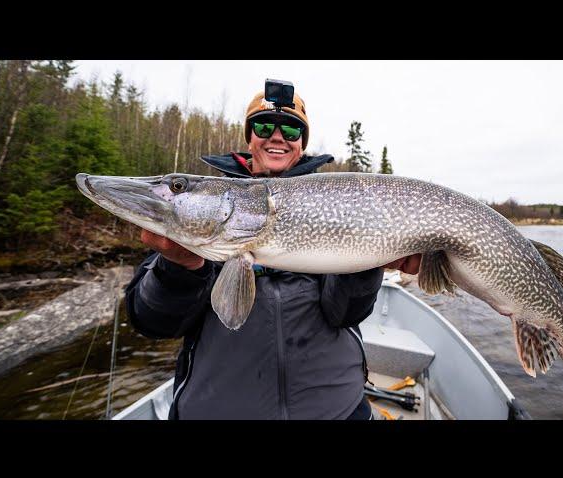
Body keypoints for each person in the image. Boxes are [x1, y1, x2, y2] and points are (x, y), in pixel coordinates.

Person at [125, 85, 421, 419]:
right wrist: (177, 269)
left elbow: (345, 315)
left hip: (333, 410)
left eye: (291, 129)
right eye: (264, 127)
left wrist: (368, 262)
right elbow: (153, 322)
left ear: (301, 143)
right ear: (250, 138)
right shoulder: (205, 209)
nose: (277, 137)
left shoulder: (335, 208)